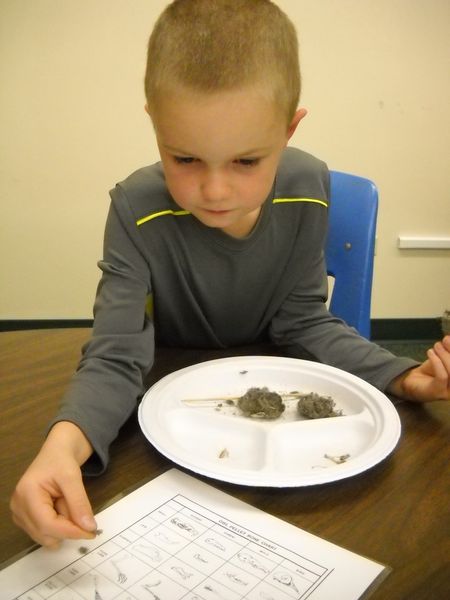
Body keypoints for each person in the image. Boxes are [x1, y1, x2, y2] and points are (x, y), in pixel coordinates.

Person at [10, 0, 449, 549]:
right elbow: (116, 353)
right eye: (185, 158)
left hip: (287, 429)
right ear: (155, 124)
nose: (215, 191)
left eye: (246, 161)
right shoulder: (134, 209)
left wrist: (403, 377)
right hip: (168, 427)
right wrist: (62, 447)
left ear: (289, 130)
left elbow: (305, 322)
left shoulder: (310, 185)